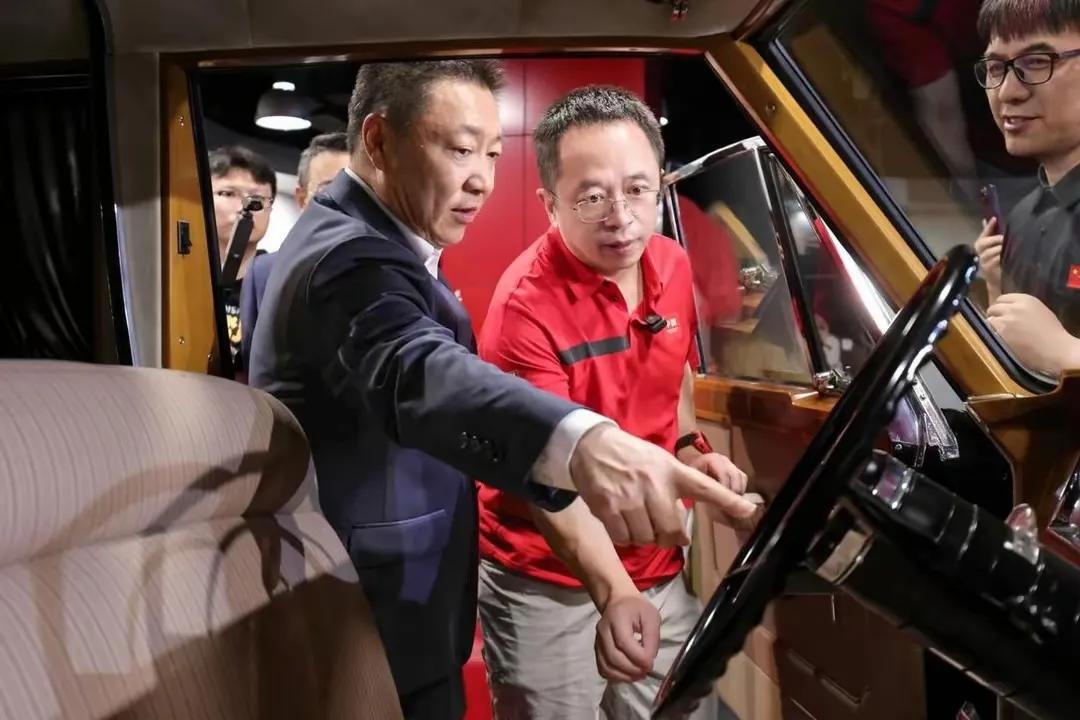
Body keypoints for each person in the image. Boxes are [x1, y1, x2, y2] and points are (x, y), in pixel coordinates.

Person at [246, 61, 756, 719]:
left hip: (410, 599)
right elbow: (419, 368)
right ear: (378, 141)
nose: (483, 179)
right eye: (460, 150)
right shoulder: (350, 260)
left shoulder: (381, 243)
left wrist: (685, 448)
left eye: (490, 153)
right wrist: (586, 443)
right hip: (368, 609)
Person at [475, 86, 750, 719]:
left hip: (656, 564)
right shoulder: (523, 309)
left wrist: (690, 450)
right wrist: (615, 591)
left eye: (637, 189)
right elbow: (546, 476)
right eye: (592, 197)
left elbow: (672, 382)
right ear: (549, 204)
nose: (621, 217)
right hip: (547, 576)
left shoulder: (672, 264)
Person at [973, 0, 1080, 374]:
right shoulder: (1020, 218)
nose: (1007, 92)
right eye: (996, 68)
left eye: (1036, 62)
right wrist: (996, 289)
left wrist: (1068, 354)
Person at [240, 133, 350, 369]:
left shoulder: (390, 269)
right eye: (330, 188)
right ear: (302, 198)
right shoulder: (264, 273)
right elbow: (253, 364)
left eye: (356, 190)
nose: (346, 200)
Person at [208, 145, 276, 378]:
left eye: (257, 198)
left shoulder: (278, 282)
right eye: (228, 194)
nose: (244, 207)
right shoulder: (178, 274)